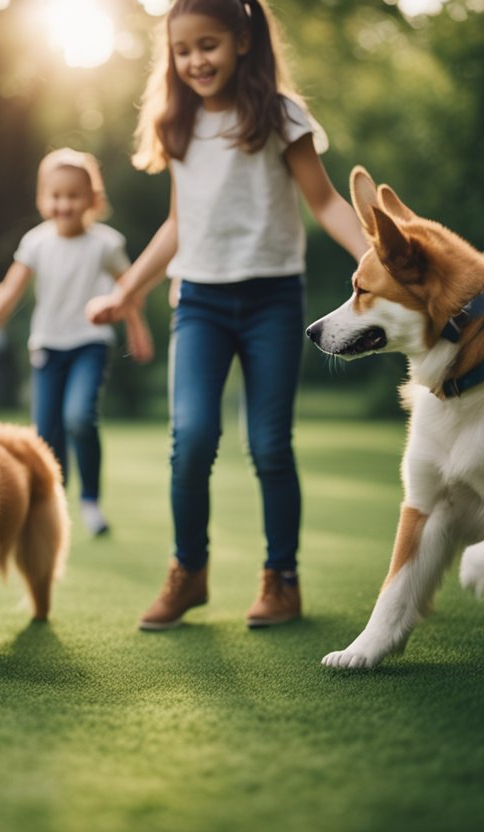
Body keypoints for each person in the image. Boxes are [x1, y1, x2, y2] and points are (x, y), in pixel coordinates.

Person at [86, 0, 369, 630]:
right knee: (191, 440)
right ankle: (188, 572)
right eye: (183, 51)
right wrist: (127, 291)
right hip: (201, 304)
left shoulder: (279, 115)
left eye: (208, 45)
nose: (195, 61)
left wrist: (371, 255)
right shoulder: (176, 123)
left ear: (242, 39)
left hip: (272, 299)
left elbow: (322, 201)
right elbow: (178, 226)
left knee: (268, 445)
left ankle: (282, 580)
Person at [0, 148, 154, 537]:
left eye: (73, 196)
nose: (63, 204)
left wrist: (137, 327)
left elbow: (129, 289)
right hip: (48, 348)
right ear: (42, 198)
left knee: (79, 418)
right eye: (55, 196)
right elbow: (10, 289)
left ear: (92, 200)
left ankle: (91, 503)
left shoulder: (105, 244)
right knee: (47, 433)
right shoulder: (36, 243)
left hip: (90, 343)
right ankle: (52, 503)